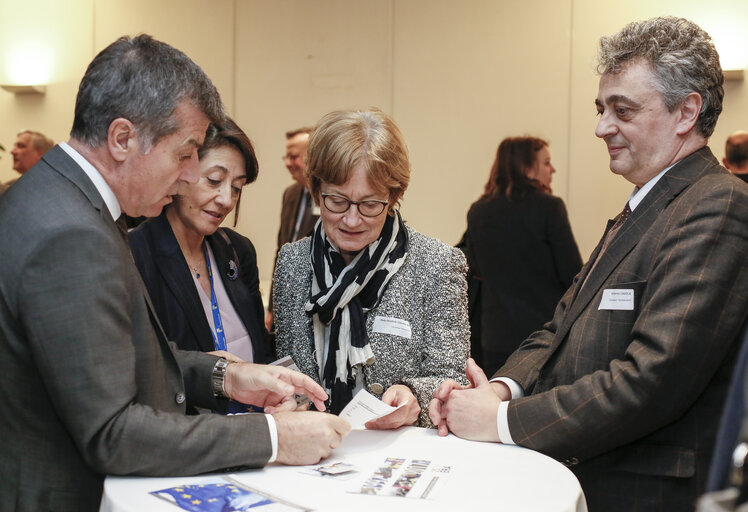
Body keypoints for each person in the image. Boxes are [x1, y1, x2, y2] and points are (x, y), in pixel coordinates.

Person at [0, 34, 349, 511]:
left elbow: (114, 359)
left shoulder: (63, 202)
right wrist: (273, 437)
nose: (189, 175)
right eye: (185, 154)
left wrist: (228, 375)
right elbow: (112, 432)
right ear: (123, 139)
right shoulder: (71, 233)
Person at [430, 16, 748, 511]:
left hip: (644, 491)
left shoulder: (718, 204)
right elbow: (559, 328)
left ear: (686, 112)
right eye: (602, 108)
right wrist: (499, 388)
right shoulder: (646, 205)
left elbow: (652, 379)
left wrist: (499, 423)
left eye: (622, 110)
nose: (601, 128)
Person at [273, 108, 469, 428]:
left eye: (369, 204)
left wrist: (412, 396)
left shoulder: (436, 264)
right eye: (337, 201)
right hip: (313, 452)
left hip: (398, 453)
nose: (352, 220)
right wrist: (291, 399)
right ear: (315, 190)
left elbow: (452, 377)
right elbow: (288, 370)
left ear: (393, 197)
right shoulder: (292, 263)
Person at [129, 118, 274, 398]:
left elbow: (262, 349)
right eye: (214, 181)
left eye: (236, 187)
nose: (226, 199)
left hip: (256, 422)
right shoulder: (136, 254)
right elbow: (142, 364)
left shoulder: (237, 250)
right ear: (179, 174)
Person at [462, 136, 581, 374]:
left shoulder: (478, 212)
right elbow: (573, 274)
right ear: (527, 168)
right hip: (544, 335)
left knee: (499, 405)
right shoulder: (549, 207)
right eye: (546, 162)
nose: (553, 169)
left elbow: (474, 267)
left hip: (495, 337)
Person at [265, 127, 319, 334]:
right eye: (286, 157)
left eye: (294, 156)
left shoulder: (332, 198)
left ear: (313, 156)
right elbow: (280, 253)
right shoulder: (291, 194)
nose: (288, 163)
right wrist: (272, 307)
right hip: (285, 308)